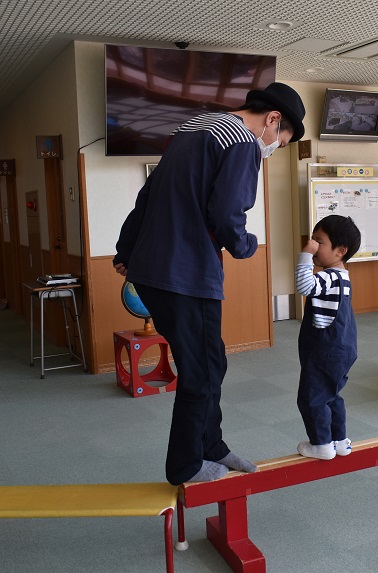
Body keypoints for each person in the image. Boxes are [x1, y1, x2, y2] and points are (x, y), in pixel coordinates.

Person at [113, 82, 306, 485]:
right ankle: (185, 465)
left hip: (151, 272)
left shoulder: (194, 127)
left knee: (211, 360)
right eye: (281, 141)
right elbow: (227, 213)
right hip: (185, 274)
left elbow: (148, 194)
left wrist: (125, 251)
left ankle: (212, 445)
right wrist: (246, 245)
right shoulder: (243, 141)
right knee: (201, 370)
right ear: (273, 119)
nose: (273, 148)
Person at [295, 215, 361, 460]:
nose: (312, 245)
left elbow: (304, 286)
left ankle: (321, 443)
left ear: (340, 251)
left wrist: (305, 255)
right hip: (343, 347)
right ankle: (339, 440)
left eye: (318, 242)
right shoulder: (343, 276)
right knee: (331, 395)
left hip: (325, 349)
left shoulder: (329, 277)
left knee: (311, 397)